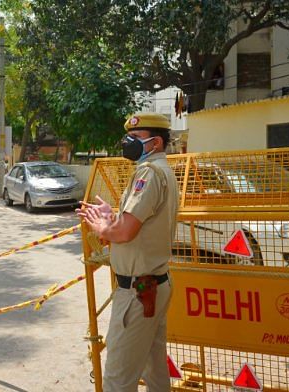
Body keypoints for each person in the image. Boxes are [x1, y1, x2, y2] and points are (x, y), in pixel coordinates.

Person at [76, 112, 179, 391]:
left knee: (117, 380)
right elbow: (135, 224)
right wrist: (114, 216)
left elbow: (123, 232)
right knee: (154, 369)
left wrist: (102, 227)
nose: (128, 143)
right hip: (154, 285)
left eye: (135, 138)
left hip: (138, 292)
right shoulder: (161, 171)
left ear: (155, 143)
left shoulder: (149, 172)